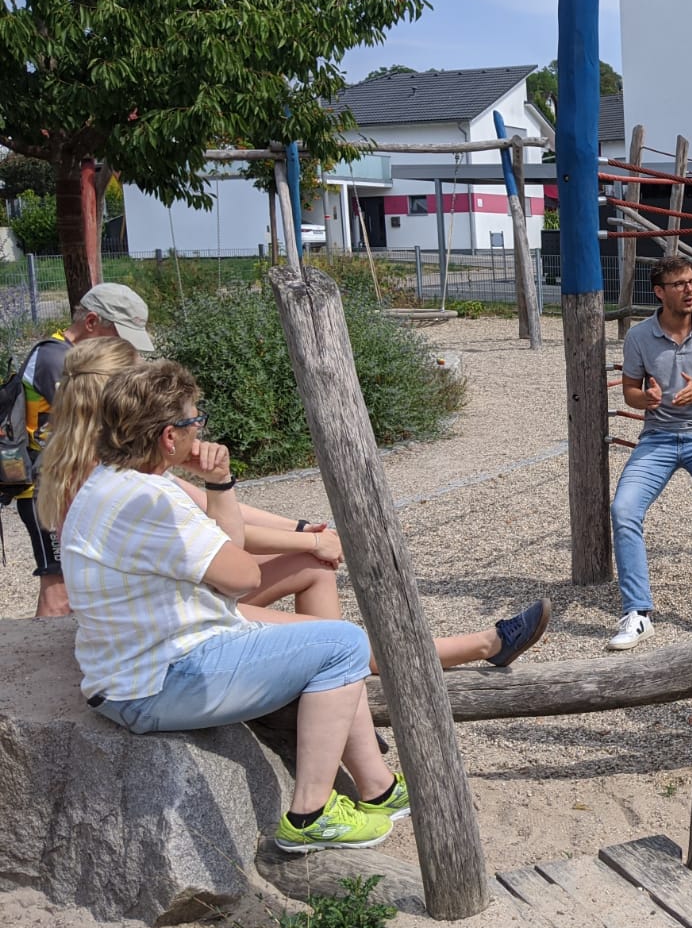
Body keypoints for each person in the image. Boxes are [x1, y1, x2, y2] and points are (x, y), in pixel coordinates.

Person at [34, 341, 548, 670]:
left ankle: (338, 691)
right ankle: (484, 645)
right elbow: (233, 545)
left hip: (170, 599)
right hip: (176, 619)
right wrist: (307, 534)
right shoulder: (134, 481)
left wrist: (306, 532)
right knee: (337, 634)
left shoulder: (99, 466)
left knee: (315, 569)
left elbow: (230, 523)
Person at [60, 359, 404, 852]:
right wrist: (221, 484)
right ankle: (310, 814)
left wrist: (217, 485)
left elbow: (229, 566)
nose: (200, 428)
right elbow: (241, 577)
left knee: (325, 643)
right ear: (167, 437)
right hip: (157, 683)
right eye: (193, 420)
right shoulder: (152, 502)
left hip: (139, 668)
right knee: (342, 645)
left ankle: (378, 789)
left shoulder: (110, 482)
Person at [609, 256, 692, 649]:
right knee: (623, 509)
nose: (689, 290)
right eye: (679, 284)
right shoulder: (639, 337)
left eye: (691, 282)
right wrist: (646, 399)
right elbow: (630, 392)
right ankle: (637, 613)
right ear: (659, 292)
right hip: (658, 437)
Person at [13, 283, 154, 619]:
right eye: (118, 336)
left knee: (70, 584)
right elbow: (94, 421)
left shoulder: (66, 355)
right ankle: (42, 667)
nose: (122, 347)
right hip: (45, 486)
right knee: (58, 588)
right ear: (92, 322)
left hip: (63, 480)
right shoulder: (57, 360)